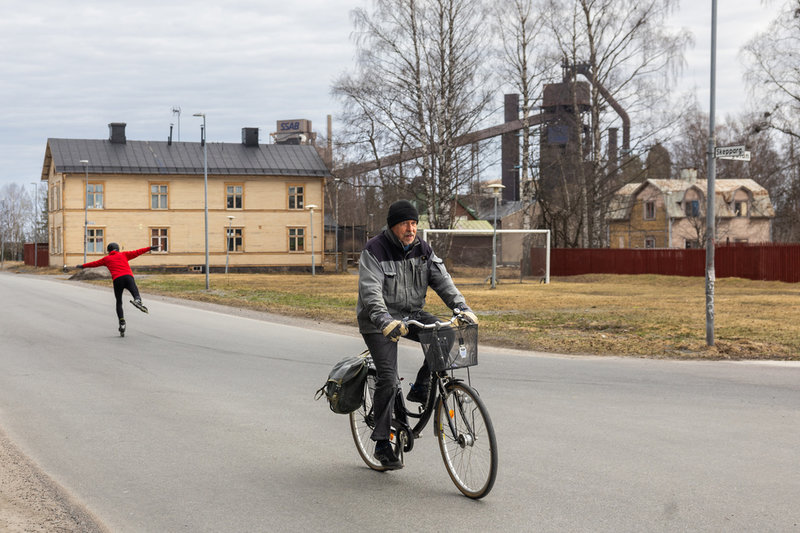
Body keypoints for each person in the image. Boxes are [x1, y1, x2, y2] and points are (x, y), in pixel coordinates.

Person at [356, 200, 478, 470]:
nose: (410, 229)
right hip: (379, 321)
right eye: (404, 223)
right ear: (393, 225)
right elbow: (371, 292)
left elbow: (443, 281)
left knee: (446, 335)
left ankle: (421, 387)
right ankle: (382, 443)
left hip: (412, 314)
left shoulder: (422, 249)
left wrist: (462, 307)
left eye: (413, 223)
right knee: (387, 377)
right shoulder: (374, 250)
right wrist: (384, 320)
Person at [77, 242, 158, 333]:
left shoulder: (106, 259)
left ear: (108, 251)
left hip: (117, 280)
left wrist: (82, 266)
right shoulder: (124, 254)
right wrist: (150, 248)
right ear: (118, 249)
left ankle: (122, 321)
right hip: (128, 277)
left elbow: (94, 263)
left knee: (119, 302)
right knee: (135, 291)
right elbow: (138, 252)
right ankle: (137, 300)